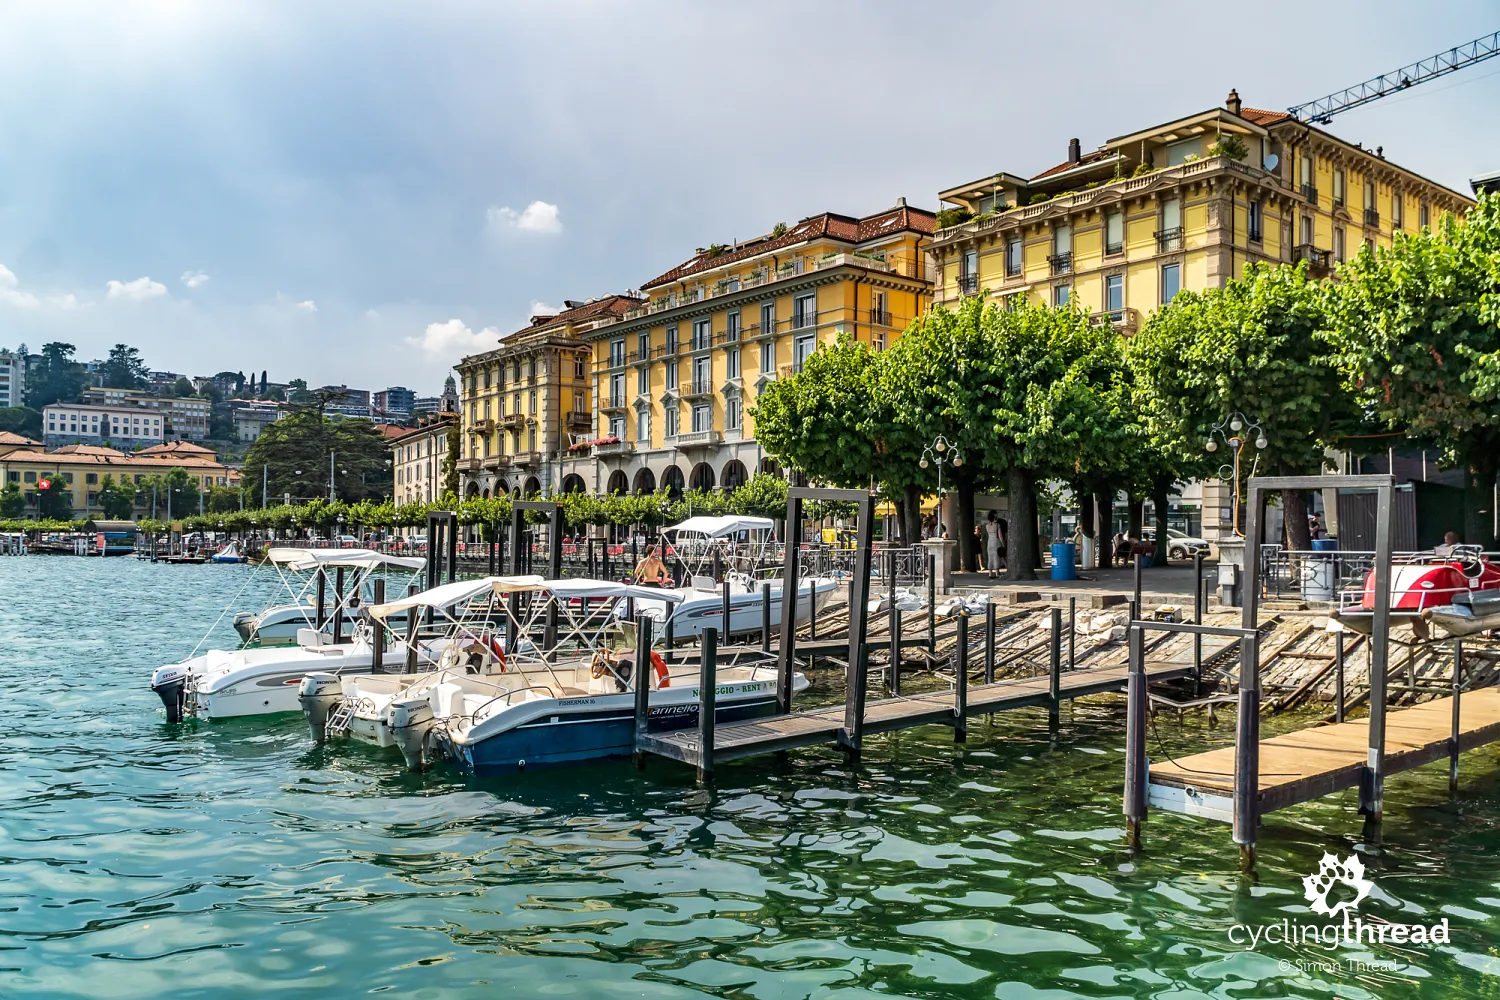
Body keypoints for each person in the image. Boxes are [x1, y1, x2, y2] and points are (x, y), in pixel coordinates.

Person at [983, 510, 1005, 579]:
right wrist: (1003, 544)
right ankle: (997, 573)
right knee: (996, 558)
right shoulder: (997, 525)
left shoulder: (987, 526)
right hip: (996, 542)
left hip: (989, 542)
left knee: (990, 557)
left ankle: (990, 573)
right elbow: (1000, 536)